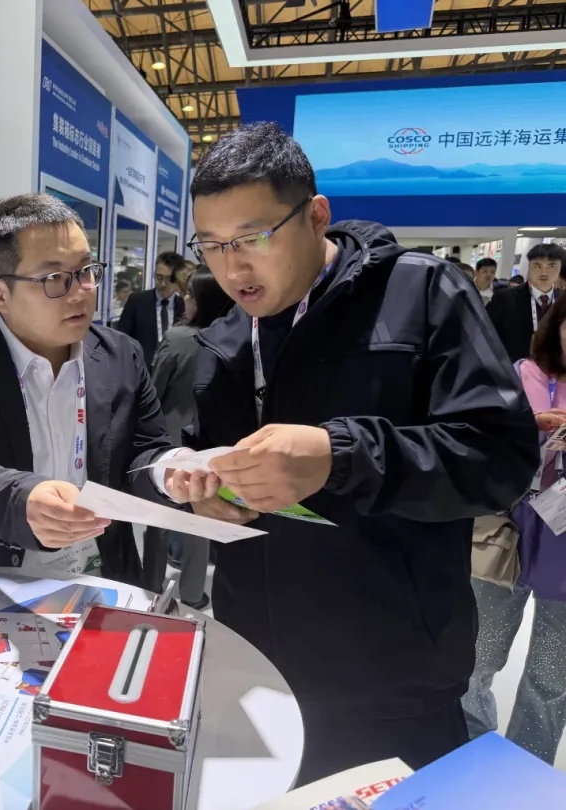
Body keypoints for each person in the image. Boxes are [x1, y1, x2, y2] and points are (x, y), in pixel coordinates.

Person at [168, 123, 538, 783]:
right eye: (212, 245)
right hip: (257, 666)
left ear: (316, 216)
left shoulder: (422, 295)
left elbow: (501, 458)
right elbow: (205, 453)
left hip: (392, 680)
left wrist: (341, 456)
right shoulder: (225, 338)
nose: (232, 268)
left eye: (253, 237)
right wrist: (202, 489)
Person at [0, 194, 181, 585]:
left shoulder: (120, 354)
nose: (81, 291)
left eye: (86, 270)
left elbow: (143, 449)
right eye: (54, 279)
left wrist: (171, 471)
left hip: (101, 575)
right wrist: (21, 502)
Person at [462, 295, 566, 765]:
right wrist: (531, 431)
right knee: (475, 660)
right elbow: (478, 442)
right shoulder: (521, 375)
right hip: (507, 531)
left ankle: (526, 770)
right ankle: (471, 755)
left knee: (553, 678)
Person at [142, 268, 233, 604]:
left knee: (158, 516)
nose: (185, 299)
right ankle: (193, 593)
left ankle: (151, 589)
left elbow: (154, 390)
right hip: (211, 440)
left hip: (169, 438)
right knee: (201, 514)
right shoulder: (232, 335)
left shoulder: (179, 338)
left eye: (191, 294)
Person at [488, 243, 566, 363]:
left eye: (551, 266)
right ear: (529, 266)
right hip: (514, 367)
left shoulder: (563, 300)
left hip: (553, 368)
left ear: (560, 268)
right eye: (537, 266)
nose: (544, 272)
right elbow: (488, 335)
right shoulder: (505, 298)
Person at [116, 251, 185, 367]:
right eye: (159, 277)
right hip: (142, 369)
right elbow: (122, 338)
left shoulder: (184, 306)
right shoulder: (137, 301)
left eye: (169, 279)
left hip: (173, 371)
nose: (163, 284)